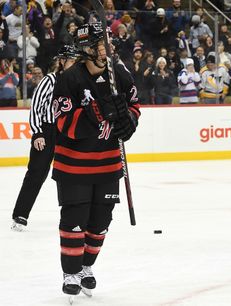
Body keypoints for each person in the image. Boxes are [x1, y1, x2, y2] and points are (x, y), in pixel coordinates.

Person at [52, 23, 140, 298]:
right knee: (75, 219)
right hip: (73, 165)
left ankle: (86, 266)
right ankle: (70, 271)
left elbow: (134, 104)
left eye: (107, 43)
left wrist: (129, 121)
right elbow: (64, 124)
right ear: (87, 49)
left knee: (101, 221)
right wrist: (97, 112)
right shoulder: (70, 79)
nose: (107, 48)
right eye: (101, 44)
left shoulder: (119, 72)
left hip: (109, 163)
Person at [11, 45, 79, 231]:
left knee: (68, 174)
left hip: (66, 133)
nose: (75, 64)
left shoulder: (75, 82)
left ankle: (70, 217)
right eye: (72, 60)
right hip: (47, 131)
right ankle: (20, 214)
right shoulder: (49, 80)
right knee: (36, 173)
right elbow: (36, 108)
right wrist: (38, 133)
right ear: (62, 61)